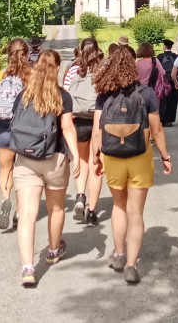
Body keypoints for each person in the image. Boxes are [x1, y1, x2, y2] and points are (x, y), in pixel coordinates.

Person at [92, 47, 172, 284]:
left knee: (118, 206)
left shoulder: (104, 94)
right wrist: (166, 157)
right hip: (140, 156)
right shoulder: (146, 94)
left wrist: (96, 158)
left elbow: (98, 132)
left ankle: (118, 254)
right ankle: (131, 265)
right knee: (136, 213)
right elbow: (156, 130)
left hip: (113, 157)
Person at [11, 49, 81, 287]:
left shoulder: (22, 96)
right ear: (58, 69)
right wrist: (77, 157)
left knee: (27, 214)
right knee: (57, 208)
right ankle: (53, 250)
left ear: (36, 67)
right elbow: (68, 128)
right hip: (55, 159)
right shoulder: (63, 96)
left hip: (26, 160)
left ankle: (28, 268)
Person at [62, 37, 104, 227]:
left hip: (77, 120)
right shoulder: (103, 69)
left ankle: (80, 196)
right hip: (97, 121)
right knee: (97, 165)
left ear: (80, 50)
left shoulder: (72, 70)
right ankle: (93, 211)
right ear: (97, 50)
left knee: (81, 160)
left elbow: (65, 95)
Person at [0, 38, 31, 231]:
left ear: (8, 54)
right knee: (22, 171)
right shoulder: (31, 76)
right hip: (24, 129)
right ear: (27, 54)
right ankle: (18, 212)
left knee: (5, 169)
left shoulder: (0, 76)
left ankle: (5, 199)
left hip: (2, 128)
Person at [157, 39, 178, 127]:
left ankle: (162, 119)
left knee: (163, 100)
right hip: (174, 81)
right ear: (171, 46)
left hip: (163, 81)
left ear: (164, 46)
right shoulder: (175, 57)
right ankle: (170, 120)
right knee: (173, 99)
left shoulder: (160, 57)